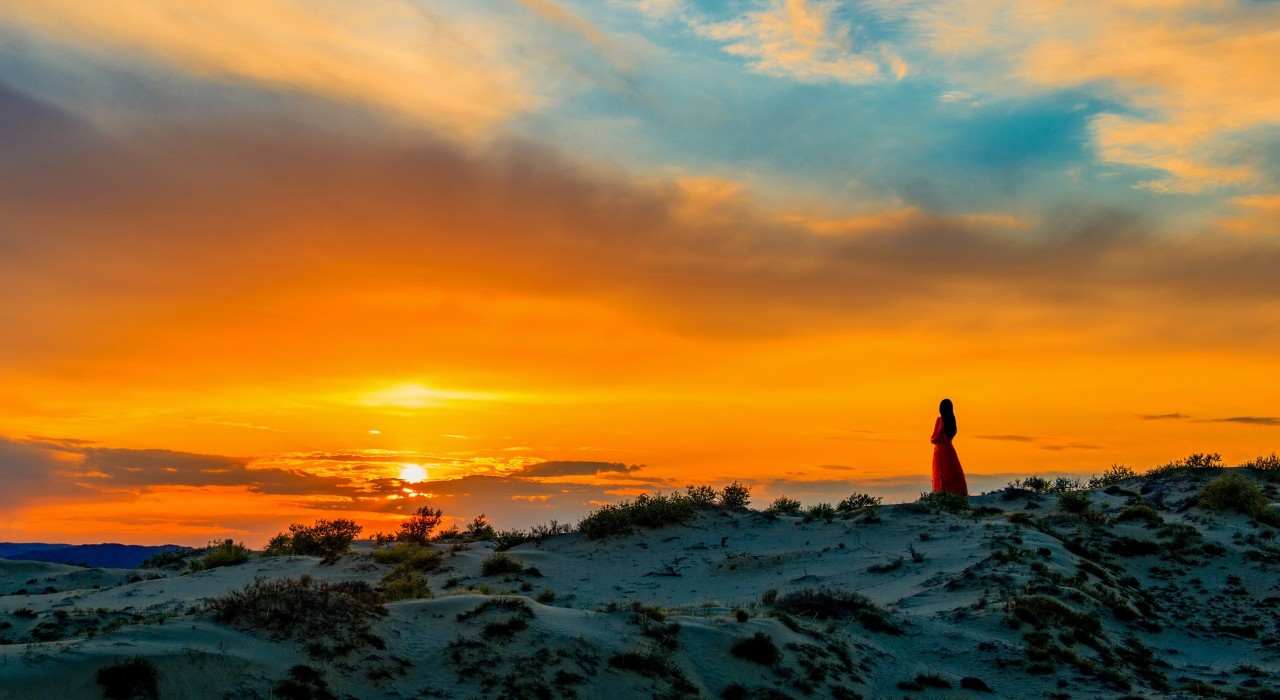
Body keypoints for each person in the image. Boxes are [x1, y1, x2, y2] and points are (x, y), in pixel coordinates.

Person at [931, 398, 968, 496]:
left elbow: (934, 438)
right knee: (951, 471)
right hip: (949, 449)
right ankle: (954, 494)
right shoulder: (952, 420)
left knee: (941, 472)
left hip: (940, 450)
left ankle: (942, 493)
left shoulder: (940, 420)